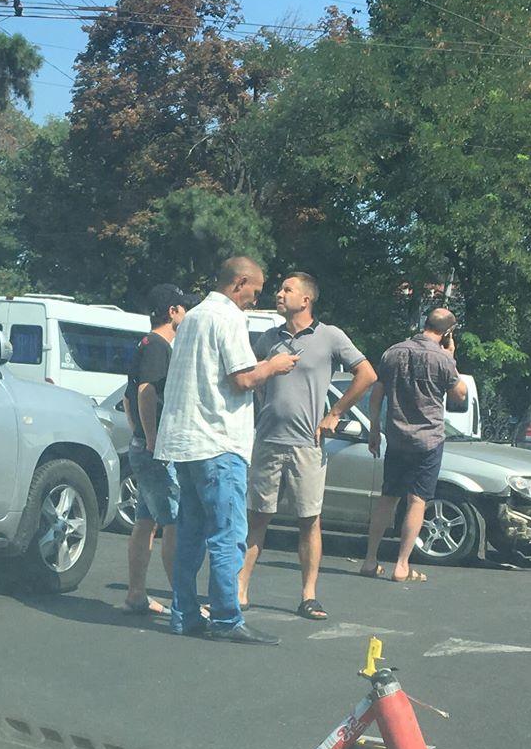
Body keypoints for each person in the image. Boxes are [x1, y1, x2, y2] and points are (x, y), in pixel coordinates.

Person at [154, 255, 298, 644]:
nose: (257, 297)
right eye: (255, 288)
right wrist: (275, 364)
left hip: (184, 443)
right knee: (226, 534)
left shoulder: (194, 317)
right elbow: (242, 379)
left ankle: (184, 613)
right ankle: (225, 618)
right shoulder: (230, 317)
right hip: (219, 441)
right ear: (239, 283)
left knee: (190, 535)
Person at [238, 272, 375, 622]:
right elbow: (248, 376)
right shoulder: (269, 337)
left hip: (308, 445)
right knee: (257, 518)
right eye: (281, 288)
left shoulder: (330, 336)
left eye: (287, 289)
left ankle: (308, 596)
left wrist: (335, 413)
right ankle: (240, 589)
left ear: (306, 300)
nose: (279, 294)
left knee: (309, 521)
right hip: (268, 439)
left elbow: (367, 374)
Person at [358, 307, 468, 584]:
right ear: (447, 332)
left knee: (387, 498)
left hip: (396, 437)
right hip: (428, 440)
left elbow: (377, 394)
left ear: (425, 323)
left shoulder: (393, 352)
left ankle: (370, 560)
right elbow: (459, 395)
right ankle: (402, 565)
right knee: (417, 500)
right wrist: (451, 358)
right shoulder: (443, 359)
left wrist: (374, 427)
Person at [120, 284, 198, 615]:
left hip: (144, 445)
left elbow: (127, 395)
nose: (188, 314)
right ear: (172, 312)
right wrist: (152, 438)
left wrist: (137, 432)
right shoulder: (158, 346)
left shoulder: (146, 344)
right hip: (157, 449)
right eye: (185, 308)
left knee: (146, 519)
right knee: (174, 522)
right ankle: (184, 602)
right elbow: (146, 392)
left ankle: (136, 593)